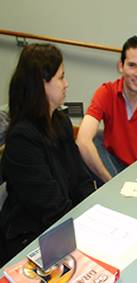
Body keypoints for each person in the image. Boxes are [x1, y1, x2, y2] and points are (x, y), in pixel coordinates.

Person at [0, 44, 96, 265]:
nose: (67, 84)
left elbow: (80, 180)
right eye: (61, 78)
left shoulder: (61, 121)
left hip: (62, 225)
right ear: (43, 84)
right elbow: (52, 208)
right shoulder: (22, 139)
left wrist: (95, 213)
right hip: (31, 239)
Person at [77, 36, 137, 188]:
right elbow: (82, 140)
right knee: (90, 144)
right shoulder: (106, 92)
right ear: (121, 66)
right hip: (113, 168)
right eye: (132, 65)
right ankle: (114, 192)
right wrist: (110, 184)